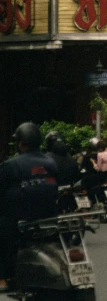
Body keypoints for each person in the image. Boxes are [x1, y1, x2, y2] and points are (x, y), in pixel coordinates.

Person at [0, 122, 58, 291]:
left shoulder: (11, 165)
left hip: (20, 217)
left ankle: (2, 278)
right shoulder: (50, 162)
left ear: (21, 143)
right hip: (48, 215)